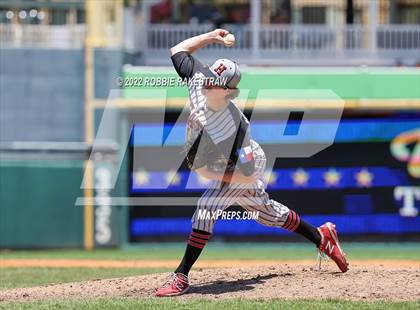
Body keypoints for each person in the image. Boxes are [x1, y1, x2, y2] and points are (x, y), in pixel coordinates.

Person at [155, 29, 349, 297]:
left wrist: (205, 170)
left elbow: (244, 172)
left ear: (229, 90)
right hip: (224, 162)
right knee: (267, 214)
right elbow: (177, 49)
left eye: (216, 82)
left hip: (245, 163)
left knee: (207, 207)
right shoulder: (198, 78)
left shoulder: (233, 127)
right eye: (210, 77)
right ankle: (322, 237)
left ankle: (180, 276)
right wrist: (212, 36)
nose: (209, 83)